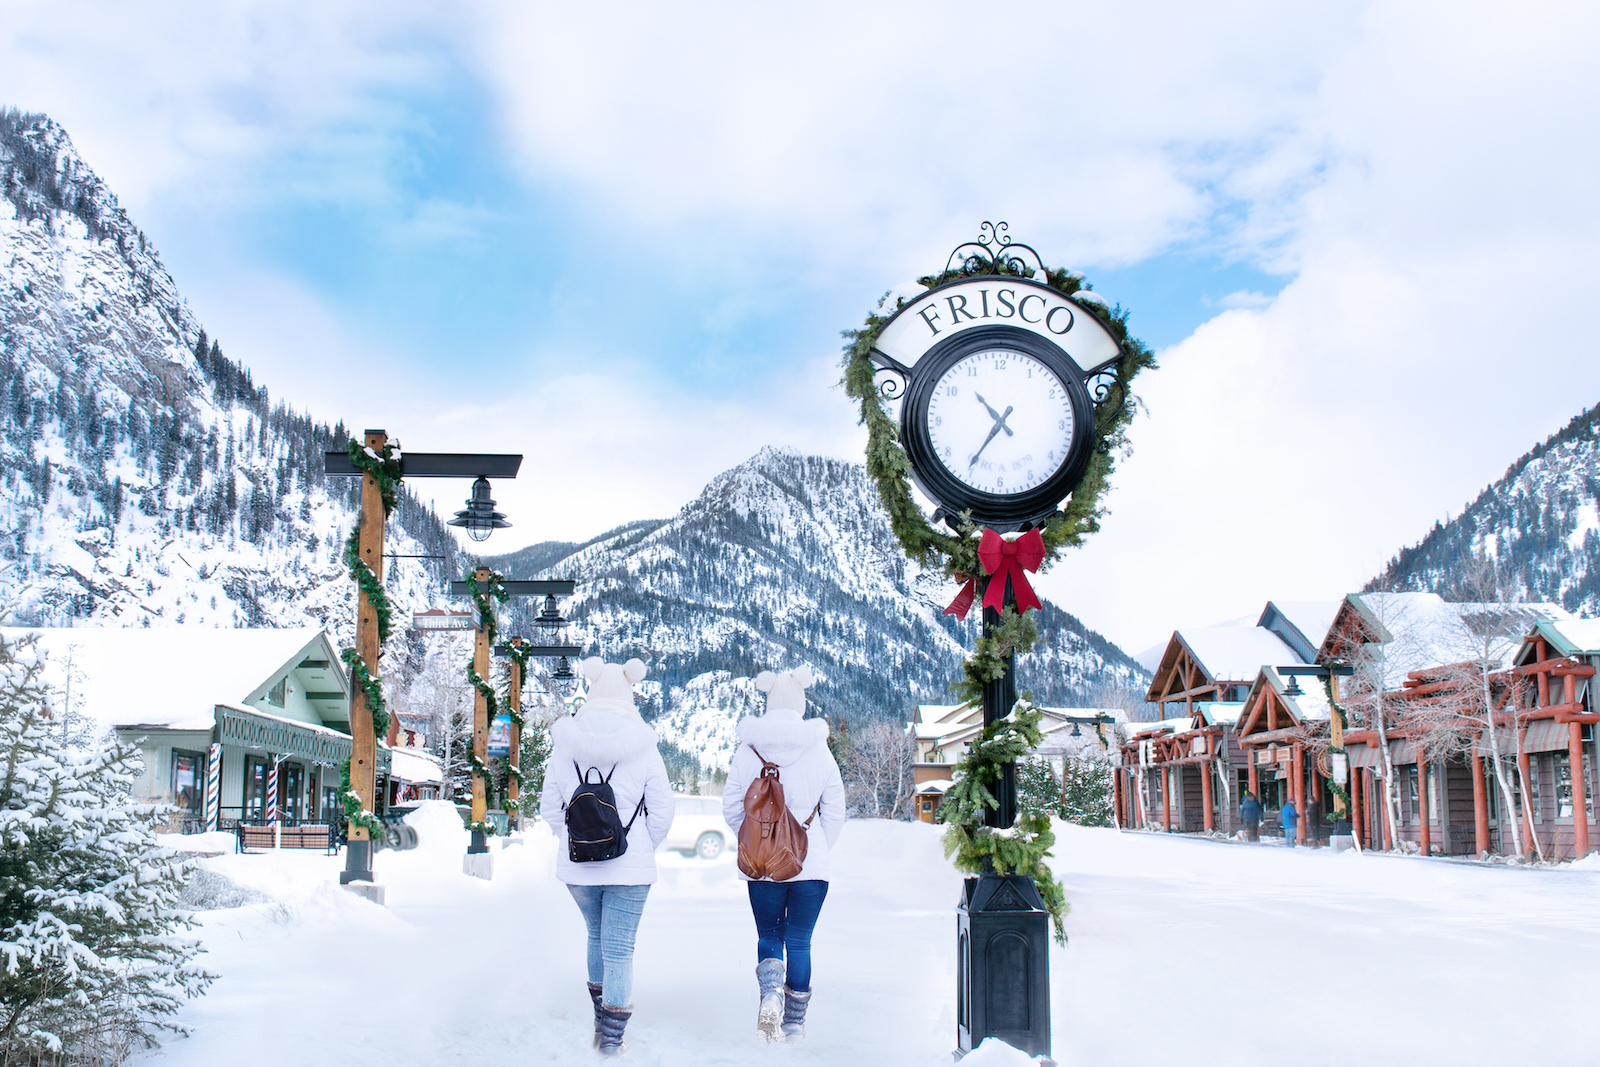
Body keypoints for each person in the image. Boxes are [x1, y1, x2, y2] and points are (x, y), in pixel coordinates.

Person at [540, 658, 674, 1056]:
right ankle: (612, 1041)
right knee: (619, 949)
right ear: (629, 693)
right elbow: (662, 813)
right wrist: (637, 846)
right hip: (631, 871)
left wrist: (577, 839)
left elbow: (549, 809)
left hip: (578, 869)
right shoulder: (645, 748)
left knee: (596, 937)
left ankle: (599, 1024)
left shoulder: (565, 746)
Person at [722, 666, 846, 1044]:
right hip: (811, 866)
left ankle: (771, 995)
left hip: (760, 866)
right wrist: (815, 845)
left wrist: (760, 838)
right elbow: (835, 812)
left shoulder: (748, 750)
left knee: (769, 935)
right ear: (801, 702)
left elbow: (731, 809)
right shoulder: (818, 749)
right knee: (800, 941)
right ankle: (792, 1024)